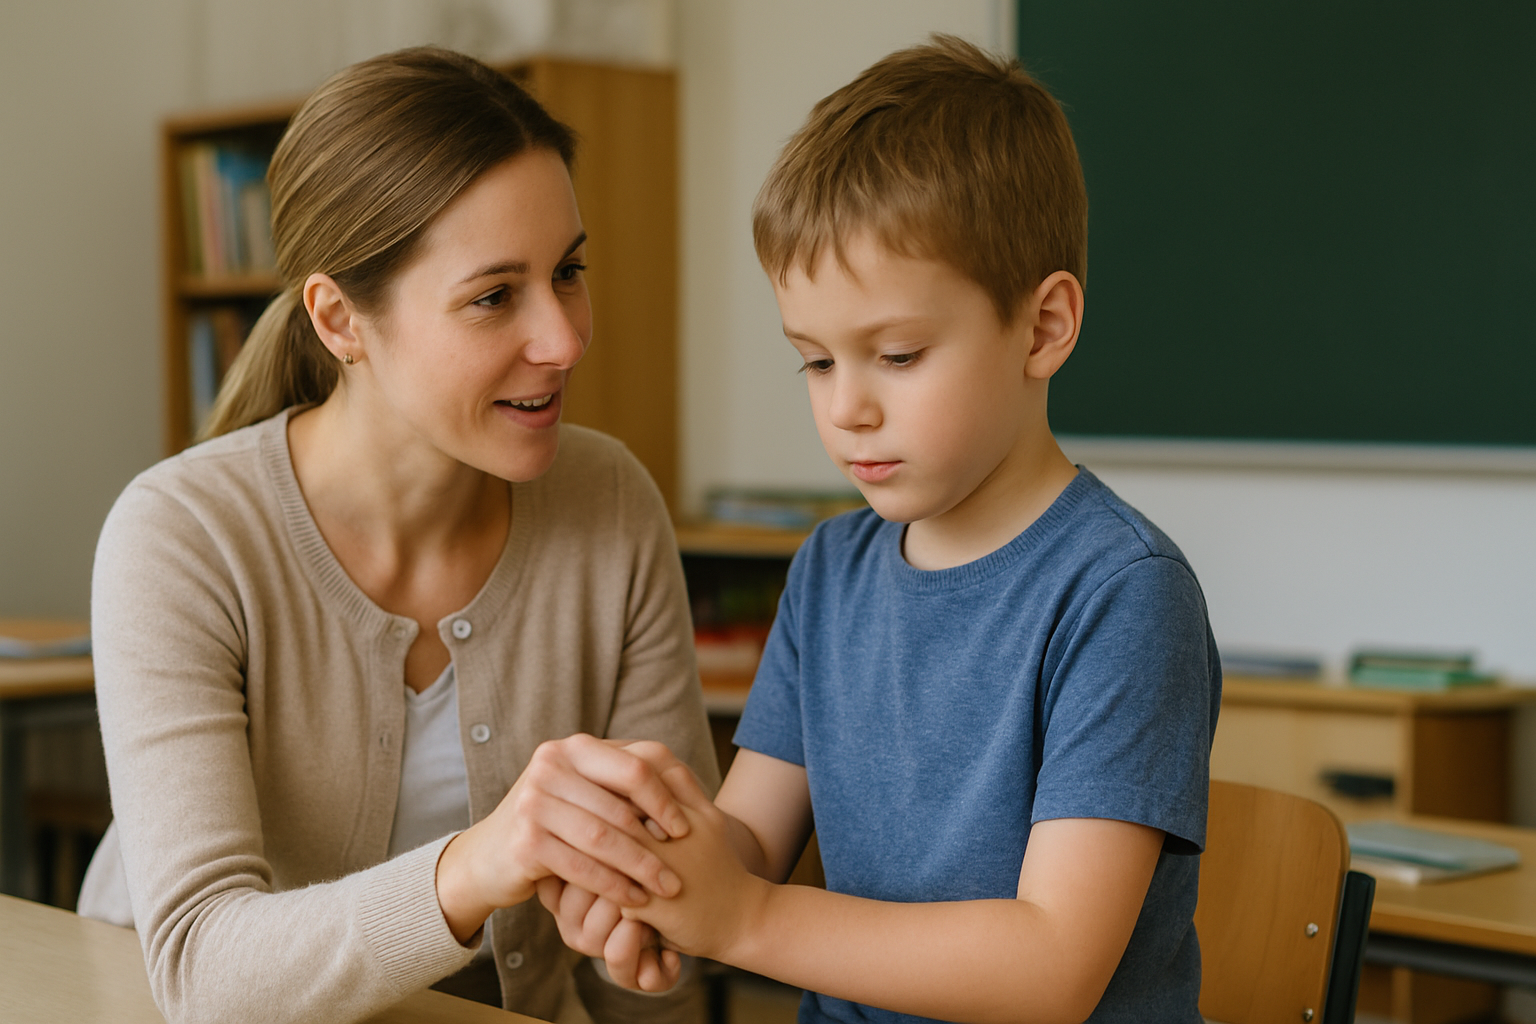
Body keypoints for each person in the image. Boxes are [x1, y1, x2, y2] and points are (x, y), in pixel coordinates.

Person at [539, 35, 1222, 1024]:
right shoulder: (828, 569)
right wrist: (658, 886)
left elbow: (1052, 967)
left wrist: (744, 920)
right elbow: (750, 843)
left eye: (896, 355)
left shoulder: (1123, 591)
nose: (845, 408)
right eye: (815, 362)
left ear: (1043, 328)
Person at [79, 47, 717, 1024]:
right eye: (495, 295)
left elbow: (659, 969)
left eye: (569, 271)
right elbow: (204, 970)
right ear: (340, 319)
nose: (565, 337)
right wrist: (486, 859)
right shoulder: (181, 536)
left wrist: (656, 928)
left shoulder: (612, 504)